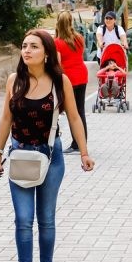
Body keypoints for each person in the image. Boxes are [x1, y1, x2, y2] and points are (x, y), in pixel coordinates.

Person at [0, 29, 95, 262]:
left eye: (33, 46)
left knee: (46, 218)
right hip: (20, 156)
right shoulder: (14, 81)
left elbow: (73, 117)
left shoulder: (60, 81)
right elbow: (6, 119)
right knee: (23, 219)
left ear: (46, 53)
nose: (26, 50)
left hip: (51, 157)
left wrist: (84, 152)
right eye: (24, 46)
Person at [54, 11, 88, 155]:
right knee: (80, 110)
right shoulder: (79, 38)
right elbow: (81, 54)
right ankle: (82, 142)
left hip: (69, 79)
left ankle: (75, 143)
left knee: (71, 112)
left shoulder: (57, 42)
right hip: (82, 74)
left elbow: (58, 63)